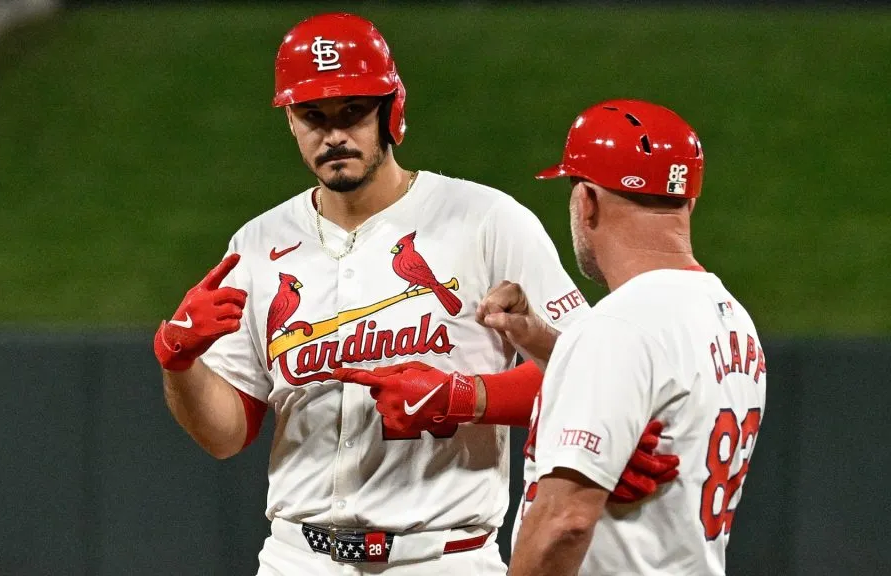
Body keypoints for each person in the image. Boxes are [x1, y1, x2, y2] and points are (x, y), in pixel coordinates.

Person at [153, 13, 676, 575]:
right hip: (295, 558)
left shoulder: (485, 220)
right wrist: (178, 361)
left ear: (391, 110)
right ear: (290, 120)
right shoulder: (257, 243)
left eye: (353, 111)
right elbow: (227, 435)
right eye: (313, 116)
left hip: (440, 557)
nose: (334, 135)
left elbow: (591, 377)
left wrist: (465, 394)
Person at [491, 99, 766, 575]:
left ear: (587, 201)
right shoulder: (732, 318)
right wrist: (542, 341)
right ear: (689, 200)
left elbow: (566, 522)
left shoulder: (618, 327)